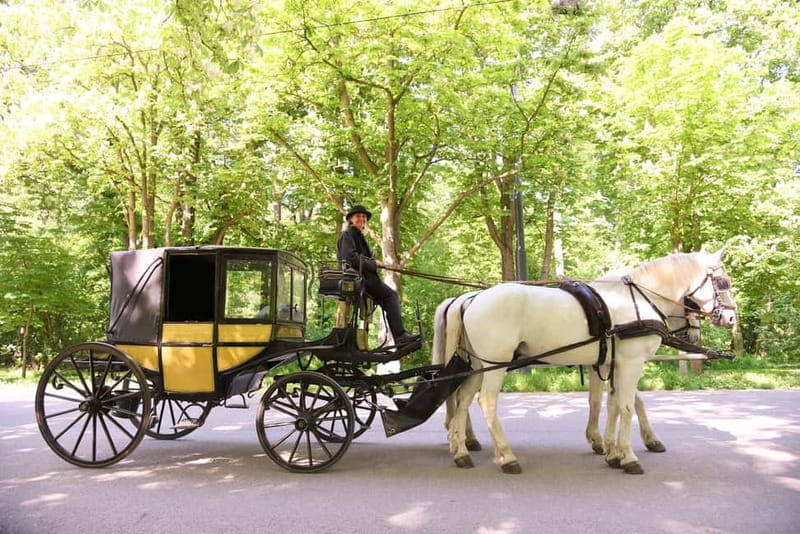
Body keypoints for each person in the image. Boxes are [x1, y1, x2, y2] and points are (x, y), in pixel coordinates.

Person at [336, 205, 418, 345]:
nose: (361, 219)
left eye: (364, 217)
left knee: (389, 298)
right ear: (350, 219)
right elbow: (350, 258)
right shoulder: (348, 235)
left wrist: (373, 263)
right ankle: (400, 336)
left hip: (365, 279)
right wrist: (373, 263)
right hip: (359, 279)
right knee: (391, 296)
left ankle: (399, 336)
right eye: (358, 216)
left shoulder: (358, 235)